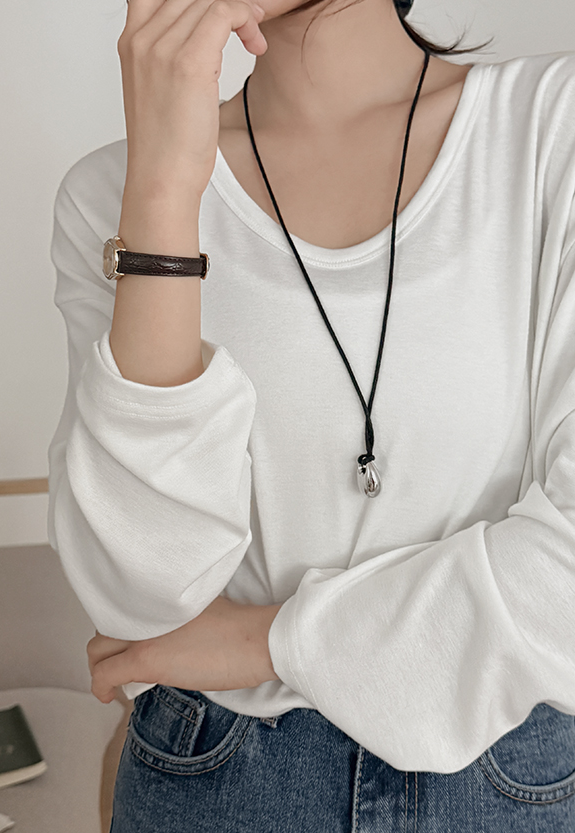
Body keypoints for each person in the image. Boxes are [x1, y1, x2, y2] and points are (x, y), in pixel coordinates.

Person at [47, 0, 575, 828]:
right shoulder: (111, 194)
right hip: (210, 777)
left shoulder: (551, 127)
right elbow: (144, 597)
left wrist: (265, 641)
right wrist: (164, 189)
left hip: (505, 780)